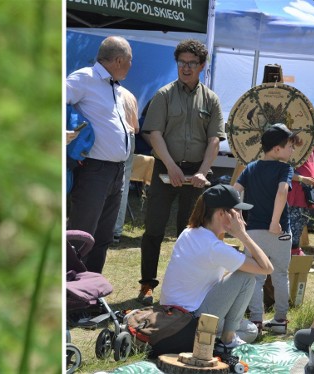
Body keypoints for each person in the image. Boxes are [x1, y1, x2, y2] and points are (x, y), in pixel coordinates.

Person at [137, 38, 225, 305]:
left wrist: (203, 172)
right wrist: (172, 167)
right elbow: (154, 134)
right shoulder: (164, 94)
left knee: (191, 232)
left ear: (202, 67)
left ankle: (186, 286)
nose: (185, 68)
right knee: (154, 228)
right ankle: (147, 285)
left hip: (198, 173)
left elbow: (214, 140)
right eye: (181, 63)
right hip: (166, 167)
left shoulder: (211, 99)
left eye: (191, 64)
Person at [153, 184, 273, 356]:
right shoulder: (214, 247)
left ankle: (216, 338)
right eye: (236, 212)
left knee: (250, 328)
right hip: (191, 320)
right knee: (246, 278)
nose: (240, 217)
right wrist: (243, 235)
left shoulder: (188, 233)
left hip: (172, 315)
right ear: (221, 213)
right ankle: (226, 340)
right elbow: (267, 268)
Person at [66, 36, 133, 273]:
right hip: (94, 170)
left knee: (103, 237)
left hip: (117, 171)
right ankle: (72, 299)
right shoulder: (85, 78)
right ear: (119, 60)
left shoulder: (115, 87)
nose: (130, 66)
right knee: (82, 236)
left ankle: (92, 294)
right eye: (130, 61)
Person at [233, 123, 299, 334]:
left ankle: (256, 320)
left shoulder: (250, 168)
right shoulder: (285, 168)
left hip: (252, 233)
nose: (293, 150)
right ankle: (280, 319)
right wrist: (274, 221)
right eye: (290, 145)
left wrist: (237, 218)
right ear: (277, 149)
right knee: (280, 274)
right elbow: (282, 193)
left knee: (255, 276)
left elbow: (234, 192)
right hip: (278, 231)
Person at [113, 87, 139, 244]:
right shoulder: (130, 95)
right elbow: (136, 128)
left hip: (115, 137)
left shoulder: (104, 92)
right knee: (124, 185)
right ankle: (116, 230)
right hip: (130, 136)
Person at [287, 149, 314, 256]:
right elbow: (282, 169)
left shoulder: (310, 145)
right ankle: (293, 253)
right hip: (292, 194)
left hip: (306, 195)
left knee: (301, 223)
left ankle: (295, 252)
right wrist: (302, 179)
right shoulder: (288, 146)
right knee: (291, 228)